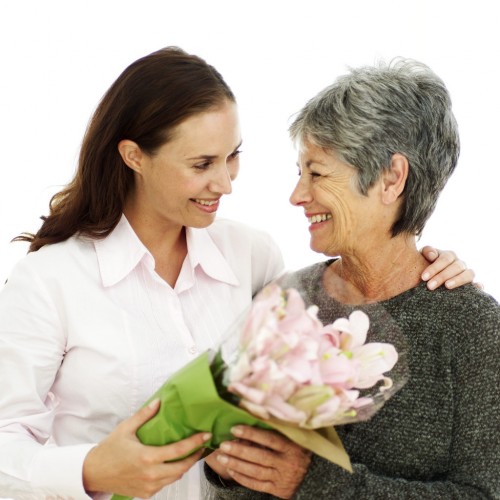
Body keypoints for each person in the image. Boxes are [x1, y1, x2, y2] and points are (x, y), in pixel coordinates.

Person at [0, 47, 475, 500]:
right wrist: (94, 468)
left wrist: (425, 267)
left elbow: (318, 335)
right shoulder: (50, 281)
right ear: (134, 156)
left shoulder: (250, 256)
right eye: (202, 164)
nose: (225, 183)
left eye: (233, 156)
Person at [203, 59, 500, 498]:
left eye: (317, 173)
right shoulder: (287, 300)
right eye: (299, 173)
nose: (297, 195)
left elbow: (483, 493)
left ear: (391, 178)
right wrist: (228, 464)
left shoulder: (471, 326)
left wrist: (316, 483)